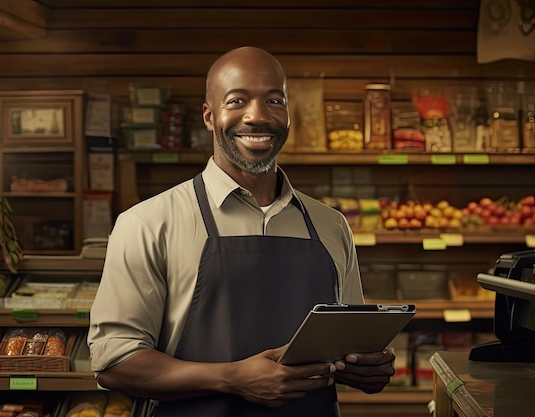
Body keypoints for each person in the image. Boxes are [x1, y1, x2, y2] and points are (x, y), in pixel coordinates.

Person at [88, 46, 396, 416]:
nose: (257, 116)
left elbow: (349, 346)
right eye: (237, 101)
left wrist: (369, 367)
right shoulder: (148, 223)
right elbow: (114, 362)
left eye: (274, 100)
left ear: (287, 115)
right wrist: (232, 378)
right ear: (209, 115)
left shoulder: (331, 225)